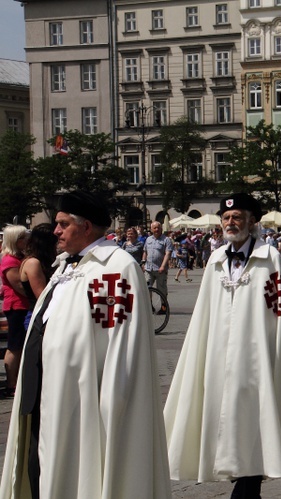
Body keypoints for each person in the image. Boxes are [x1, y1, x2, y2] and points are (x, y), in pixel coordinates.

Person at [0, 190, 171, 499]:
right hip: (44, 397)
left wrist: (111, 407)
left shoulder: (116, 268)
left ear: (86, 226)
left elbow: (120, 346)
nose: (55, 231)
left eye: (63, 224)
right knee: (39, 471)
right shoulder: (67, 266)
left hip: (81, 404)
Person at [164, 193, 281, 499]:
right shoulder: (215, 259)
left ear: (252, 222)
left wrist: (268, 345)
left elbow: (275, 307)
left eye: (237, 217)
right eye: (226, 218)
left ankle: (250, 480)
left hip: (254, 351)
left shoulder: (269, 257)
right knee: (218, 409)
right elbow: (205, 309)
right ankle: (229, 468)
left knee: (251, 410)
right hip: (218, 349)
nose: (230, 222)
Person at [0, 225, 30, 398]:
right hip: (17, 305)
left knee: (18, 344)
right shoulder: (10, 260)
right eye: (22, 238)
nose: (25, 241)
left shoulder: (18, 257)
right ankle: (11, 383)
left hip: (21, 305)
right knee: (14, 345)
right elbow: (19, 286)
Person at [19, 224, 57, 331]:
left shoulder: (44, 261)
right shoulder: (33, 263)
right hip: (38, 316)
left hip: (46, 314)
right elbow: (42, 296)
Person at [143, 221, 172, 304]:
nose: (156, 229)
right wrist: (143, 262)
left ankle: (163, 306)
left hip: (160, 269)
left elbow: (168, 253)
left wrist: (163, 266)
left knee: (161, 289)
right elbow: (145, 251)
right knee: (147, 288)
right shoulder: (148, 239)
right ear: (151, 229)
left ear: (161, 229)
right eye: (155, 228)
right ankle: (149, 306)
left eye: (158, 228)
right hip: (149, 269)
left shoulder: (166, 240)